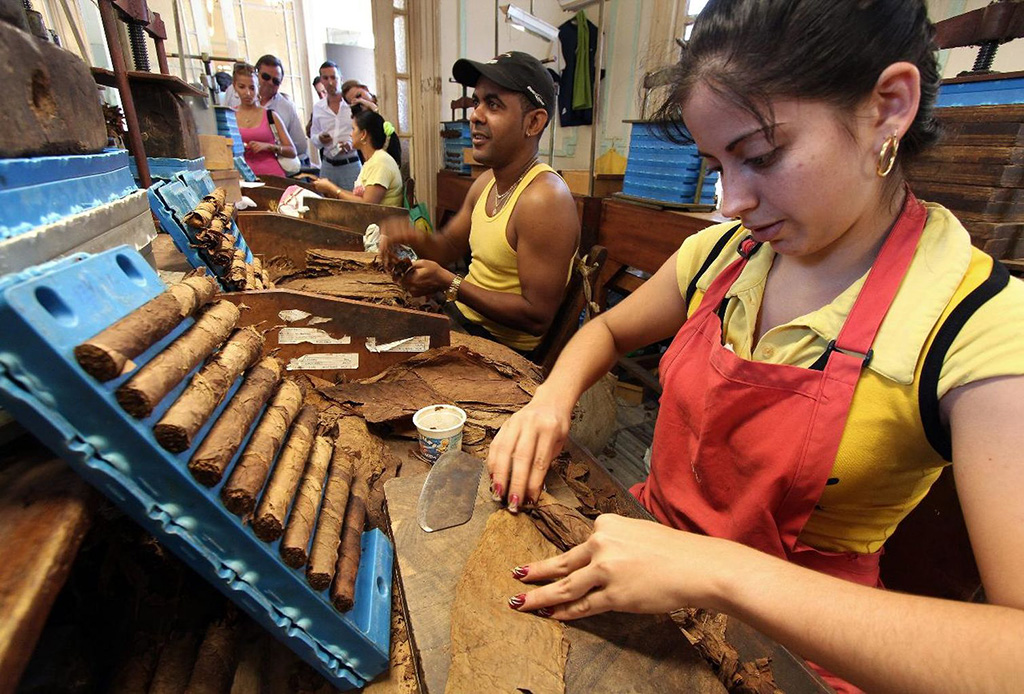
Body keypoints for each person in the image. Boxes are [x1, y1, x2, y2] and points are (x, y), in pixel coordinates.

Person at [488, 2, 1024, 693]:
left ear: (889, 106)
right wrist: (550, 402)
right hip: (645, 558)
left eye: (761, 156)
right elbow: (609, 328)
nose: (731, 199)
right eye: (715, 164)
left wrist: (716, 571)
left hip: (797, 653)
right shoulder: (726, 255)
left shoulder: (976, 324)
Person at [379, 51, 579, 357]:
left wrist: (450, 283)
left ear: (534, 122)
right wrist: (407, 236)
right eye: (477, 102)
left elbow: (536, 317)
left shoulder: (544, 199)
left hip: (502, 351)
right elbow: (446, 247)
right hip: (462, 322)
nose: (475, 115)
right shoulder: (486, 183)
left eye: (493, 104)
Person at [312, 110, 403, 207]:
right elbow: (361, 199)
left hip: (383, 221)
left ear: (363, 134)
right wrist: (330, 189)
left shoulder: (380, 161)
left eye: (353, 129)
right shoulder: (373, 160)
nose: (350, 134)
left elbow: (367, 204)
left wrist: (332, 189)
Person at [232, 63, 297, 178]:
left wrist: (269, 146)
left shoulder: (270, 115)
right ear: (235, 87)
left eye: (252, 88)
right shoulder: (230, 116)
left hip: (272, 176)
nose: (247, 93)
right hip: (242, 178)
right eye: (242, 87)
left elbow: (292, 151)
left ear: (258, 88)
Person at [310, 61, 361, 189]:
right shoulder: (318, 107)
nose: (330, 82)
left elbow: (365, 132)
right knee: (326, 205)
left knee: (355, 205)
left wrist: (351, 143)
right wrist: (320, 138)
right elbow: (314, 137)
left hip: (351, 163)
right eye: (325, 78)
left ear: (341, 79)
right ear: (321, 80)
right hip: (328, 164)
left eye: (333, 77)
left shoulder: (352, 105)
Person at [341, 79, 402, 167]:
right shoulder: (362, 120)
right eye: (354, 102)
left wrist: (366, 103)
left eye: (359, 96)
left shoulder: (386, 102)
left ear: (365, 89)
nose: (359, 101)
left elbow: (385, 121)